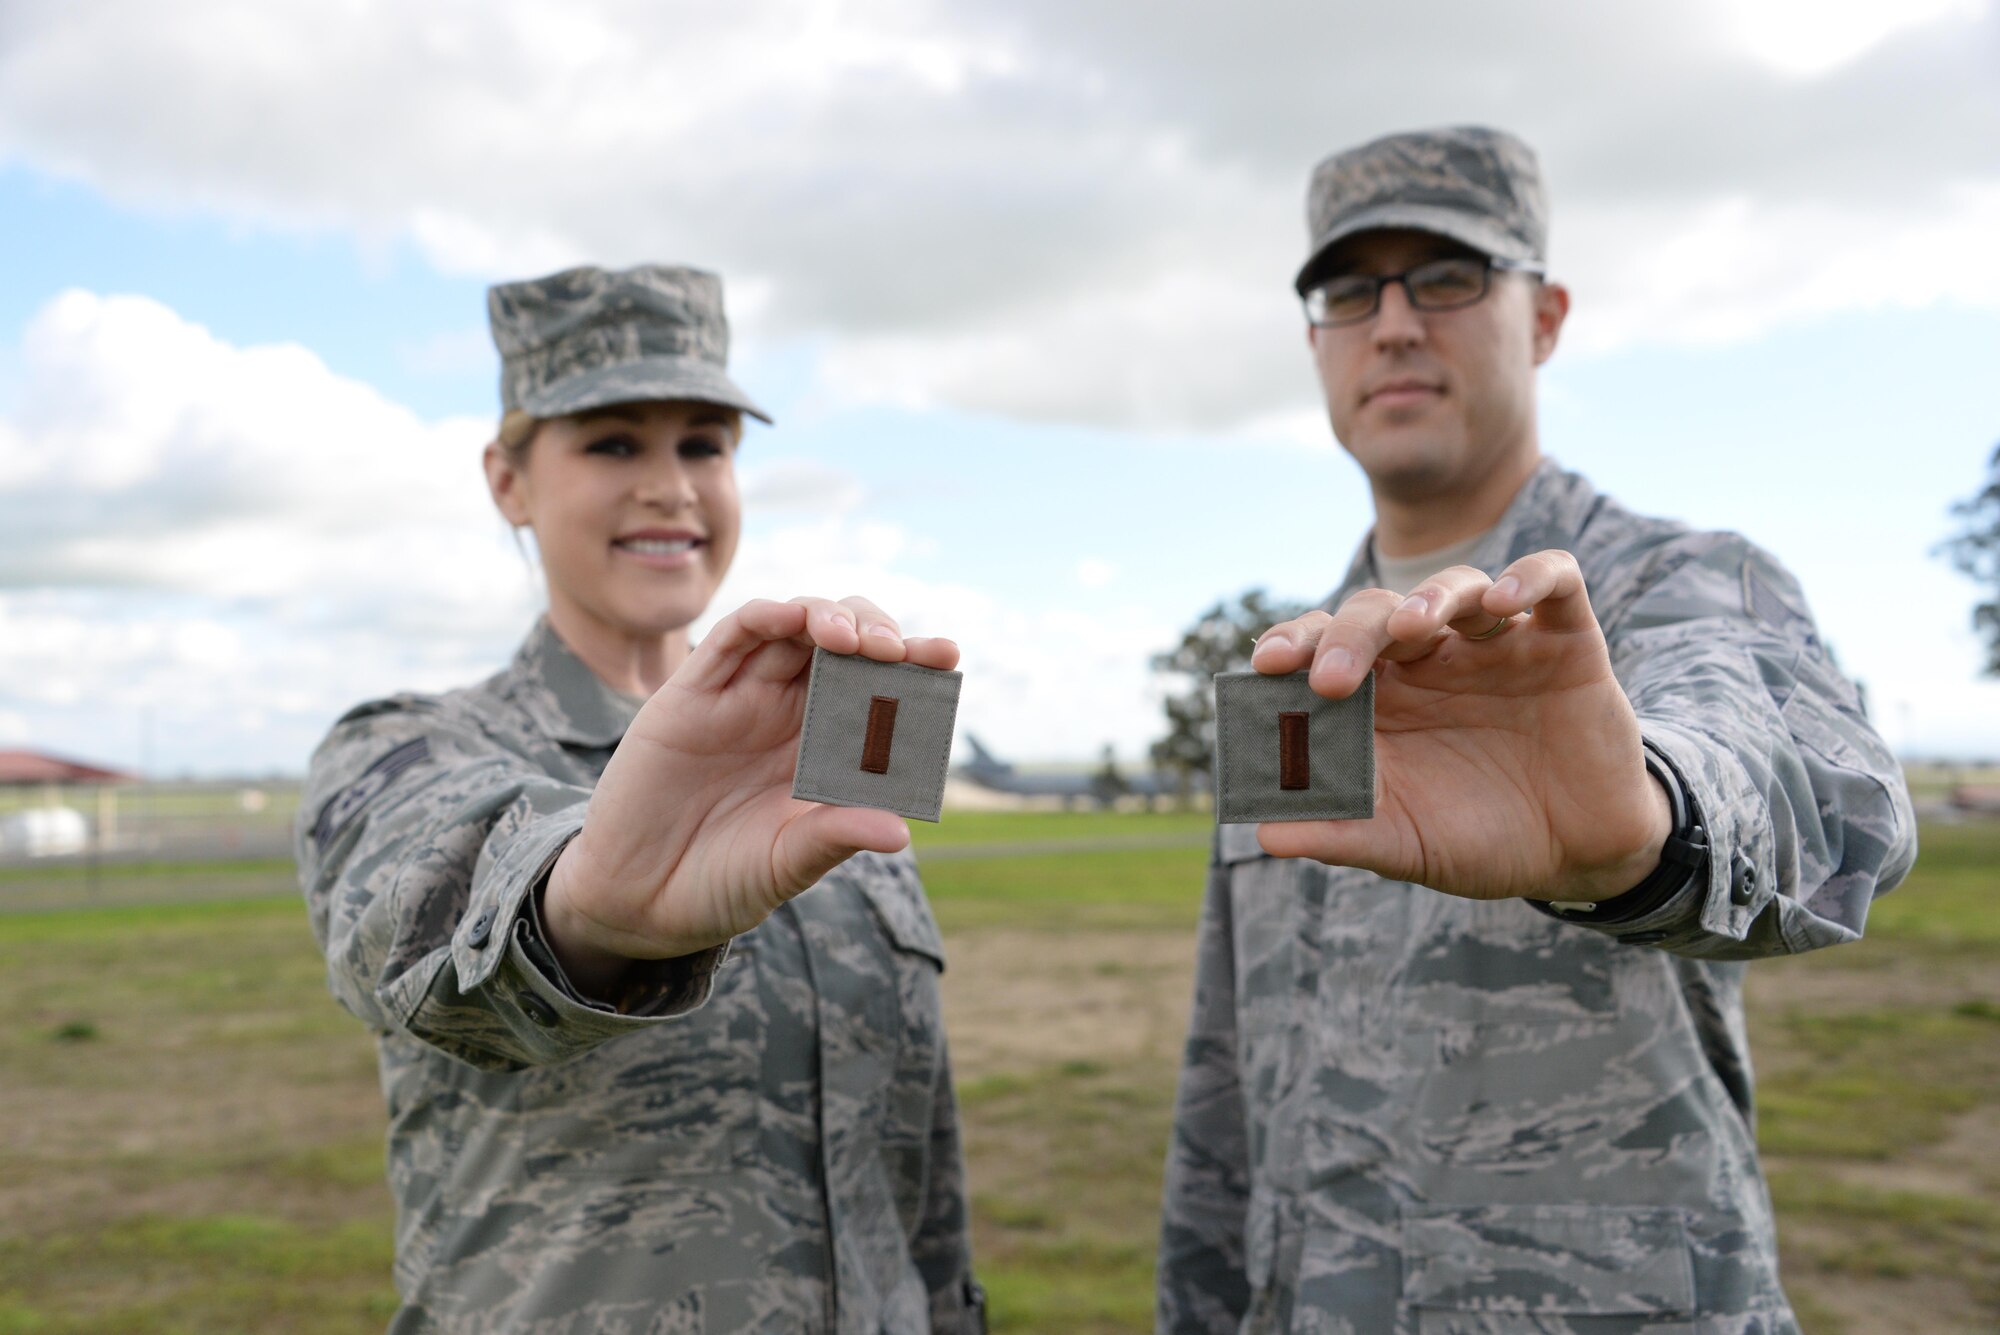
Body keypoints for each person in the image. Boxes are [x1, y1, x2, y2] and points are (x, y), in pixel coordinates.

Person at [1157, 127, 1915, 1333]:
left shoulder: (1667, 584)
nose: (1394, 324)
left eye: (1447, 277)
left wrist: (1645, 825)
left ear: (1546, 317)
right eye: (1349, 291)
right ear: (1314, 342)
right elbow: (1228, 1087)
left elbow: (1810, 789)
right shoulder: (1300, 674)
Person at [295, 264, 985, 1333]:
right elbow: (438, 906)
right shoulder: (402, 748)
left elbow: (916, 1181)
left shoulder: (824, 755)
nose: (669, 486)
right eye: (612, 442)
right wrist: (590, 908)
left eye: (703, 444)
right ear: (508, 481)